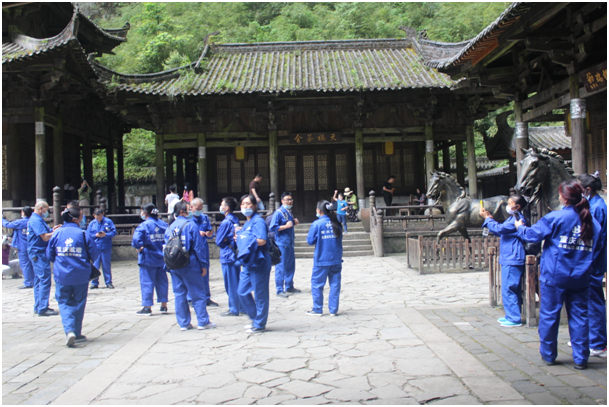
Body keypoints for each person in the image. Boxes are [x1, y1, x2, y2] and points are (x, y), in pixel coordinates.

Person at [515, 180, 602, 370]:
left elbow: (531, 235)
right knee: (580, 316)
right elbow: (598, 248)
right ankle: (581, 358)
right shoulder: (592, 222)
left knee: (549, 315)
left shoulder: (555, 217)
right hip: (581, 276)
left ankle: (549, 355)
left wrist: (519, 227)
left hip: (555, 276)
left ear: (564, 198)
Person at [47, 206, 100, 347]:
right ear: (75, 219)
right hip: (81, 274)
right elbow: (94, 254)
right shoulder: (83, 234)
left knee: (64, 301)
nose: (83, 219)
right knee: (79, 302)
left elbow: (50, 254)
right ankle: (77, 332)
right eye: (81, 216)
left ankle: (69, 330)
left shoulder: (57, 233)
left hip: (62, 275)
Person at [164, 200, 215, 331]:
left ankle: (184, 323)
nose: (191, 211)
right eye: (189, 208)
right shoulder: (191, 225)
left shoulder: (169, 227)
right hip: (190, 263)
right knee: (197, 292)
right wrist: (203, 264)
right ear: (182, 211)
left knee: (179, 294)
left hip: (174, 264)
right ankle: (203, 321)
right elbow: (198, 247)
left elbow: (165, 247)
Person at [480, 194, 528, 327]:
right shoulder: (513, 218)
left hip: (512, 257)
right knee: (510, 288)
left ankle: (514, 318)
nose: (508, 205)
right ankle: (511, 315)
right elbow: (501, 231)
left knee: (509, 288)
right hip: (510, 256)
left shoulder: (517, 220)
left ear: (517, 206)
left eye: (510, 203)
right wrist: (490, 220)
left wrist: (487, 219)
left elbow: (500, 229)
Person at [577, 172, 607, 358]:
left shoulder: (596, 208)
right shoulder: (594, 205)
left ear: (587, 190)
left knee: (594, 301)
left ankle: (598, 343)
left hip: (593, 262)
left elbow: (597, 240)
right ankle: (590, 338)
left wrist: (586, 261)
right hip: (592, 260)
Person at [235, 194, 272, 333]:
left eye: (248, 204)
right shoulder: (247, 223)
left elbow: (262, 240)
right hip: (248, 262)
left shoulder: (258, 221)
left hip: (259, 262)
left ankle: (259, 324)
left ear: (255, 206)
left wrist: (243, 239)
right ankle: (255, 317)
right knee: (242, 291)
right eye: (243, 204)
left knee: (260, 295)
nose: (245, 206)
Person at [306, 200, 344, 316]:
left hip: (322, 259)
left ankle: (317, 309)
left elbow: (310, 241)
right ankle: (333, 310)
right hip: (336, 258)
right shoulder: (337, 223)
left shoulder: (317, 224)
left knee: (317, 284)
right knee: (335, 284)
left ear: (319, 210)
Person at [131, 204, 169, 316]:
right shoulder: (164, 224)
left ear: (145, 212)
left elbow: (136, 240)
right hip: (162, 257)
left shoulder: (144, 225)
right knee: (162, 281)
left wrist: (139, 247)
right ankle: (163, 305)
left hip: (148, 257)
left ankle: (147, 307)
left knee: (147, 281)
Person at [27, 201, 61, 316]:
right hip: (38, 253)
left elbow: (46, 232)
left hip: (38, 252)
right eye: (46, 210)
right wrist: (55, 233)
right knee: (44, 280)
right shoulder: (36, 220)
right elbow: (45, 237)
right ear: (41, 208)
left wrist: (53, 230)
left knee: (38, 280)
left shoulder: (37, 219)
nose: (46, 212)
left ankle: (38, 306)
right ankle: (42, 307)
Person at [216, 197, 244, 317]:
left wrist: (225, 240)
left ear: (226, 208)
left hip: (228, 254)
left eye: (222, 205)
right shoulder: (235, 219)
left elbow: (218, 241)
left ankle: (234, 308)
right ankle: (241, 306)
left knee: (230, 283)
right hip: (235, 253)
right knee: (236, 280)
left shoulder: (226, 222)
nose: (221, 207)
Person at [270, 192, 300, 298]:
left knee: (290, 266)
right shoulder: (278, 213)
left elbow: (289, 224)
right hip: (282, 243)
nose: (289, 201)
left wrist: (293, 222)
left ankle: (289, 286)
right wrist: (285, 226)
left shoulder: (289, 212)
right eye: (287, 199)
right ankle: (279, 289)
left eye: (291, 199)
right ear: (282, 201)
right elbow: (272, 227)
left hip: (290, 242)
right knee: (281, 267)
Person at [190, 198, 218, 307]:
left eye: (201, 208)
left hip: (203, 249)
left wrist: (209, 234)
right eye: (198, 208)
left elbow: (210, 231)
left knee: (205, 274)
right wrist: (197, 233)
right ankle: (191, 298)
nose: (200, 210)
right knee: (192, 275)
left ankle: (206, 298)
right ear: (192, 207)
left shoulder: (204, 217)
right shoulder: (188, 219)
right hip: (192, 251)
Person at [2, 206, 34, 289]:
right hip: (32, 245)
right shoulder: (33, 221)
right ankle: (33, 281)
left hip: (23, 246)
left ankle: (28, 282)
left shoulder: (20, 222)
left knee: (25, 264)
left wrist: (1, 219)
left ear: (23, 213)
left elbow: (7, 224)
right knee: (32, 264)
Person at [87, 209, 117, 289]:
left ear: (102, 214)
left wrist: (106, 234)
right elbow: (88, 235)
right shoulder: (92, 223)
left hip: (106, 246)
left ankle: (108, 282)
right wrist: (95, 235)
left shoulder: (108, 221)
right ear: (94, 216)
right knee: (95, 265)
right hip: (95, 247)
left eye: (100, 217)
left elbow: (114, 232)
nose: (99, 219)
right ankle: (94, 282)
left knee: (106, 265)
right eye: (97, 218)